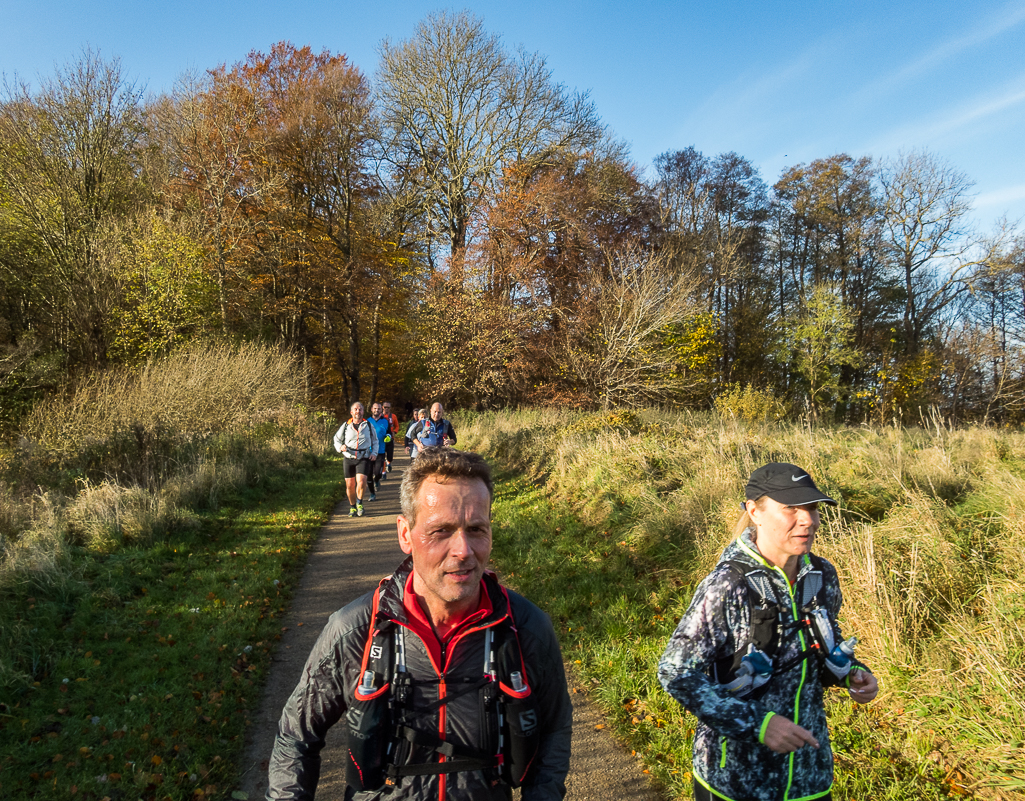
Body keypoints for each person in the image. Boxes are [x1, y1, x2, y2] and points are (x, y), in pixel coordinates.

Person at [266, 447, 573, 801]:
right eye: (441, 531)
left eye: (476, 529)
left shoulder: (526, 628)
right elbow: (296, 738)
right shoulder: (354, 630)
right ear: (405, 534)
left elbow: (553, 729)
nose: (463, 550)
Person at [658, 463, 879, 801]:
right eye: (791, 507)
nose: (808, 519)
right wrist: (756, 724)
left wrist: (852, 674)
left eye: (813, 508)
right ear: (754, 511)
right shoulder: (728, 584)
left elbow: (820, 645)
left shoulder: (821, 575)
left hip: (809, 778)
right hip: (734, 781)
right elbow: (675, 672)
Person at [332, 402, 379, 517]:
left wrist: (374, 453)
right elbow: (336, 439)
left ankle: (359, 503)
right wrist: (340, 447)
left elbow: (375, 441)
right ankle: (352, 507)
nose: (358, 411)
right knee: (350, 484)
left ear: (363, 412)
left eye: (360, 409)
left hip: (363, 457)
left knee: (362, 481)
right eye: (356, 409)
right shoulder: (346, 425)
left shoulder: (368, 425)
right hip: (349, 457)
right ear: (351, 412)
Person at [367, 402, 391, 500]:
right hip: (368, 451)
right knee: (368, 474)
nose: (377, 410)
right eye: (375, 408)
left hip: (380, 451)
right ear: (372, 409)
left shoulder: (385, 421)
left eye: (379, 409)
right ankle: (372, 494)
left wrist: (388, 437)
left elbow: (389, 433)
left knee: (378, 473)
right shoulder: (367, 421)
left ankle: (377, 480)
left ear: (381, 410)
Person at [382, 401, 400, 477]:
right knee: (381, 456)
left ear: (390, 408)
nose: (386, 409)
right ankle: (383, 472)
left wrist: (394, 432)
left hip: (390, 439)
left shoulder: (393, 416)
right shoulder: (379, 416)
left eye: (388, 407)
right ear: (382, 407)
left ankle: (389, 462)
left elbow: (397, 426)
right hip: (381, 439)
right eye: (385, 407)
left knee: (390, 456)